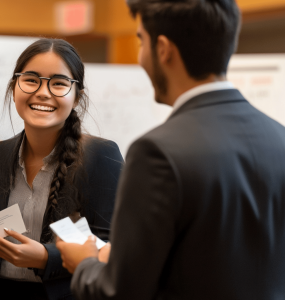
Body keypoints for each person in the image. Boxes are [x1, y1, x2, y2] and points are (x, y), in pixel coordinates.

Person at [57, 0, 285, 299]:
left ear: (163, 48)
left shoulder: (157, 152)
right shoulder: (278, 136)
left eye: (141, 40)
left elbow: (119, 291)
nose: (140, 57)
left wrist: (84, 263)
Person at [0, 38, 124, 300]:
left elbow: (115, 248)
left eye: (58, 83)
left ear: (77, 96)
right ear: (14, 88)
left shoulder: (101, 156)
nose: (43, 92)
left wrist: (46, 257)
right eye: (31, 80)